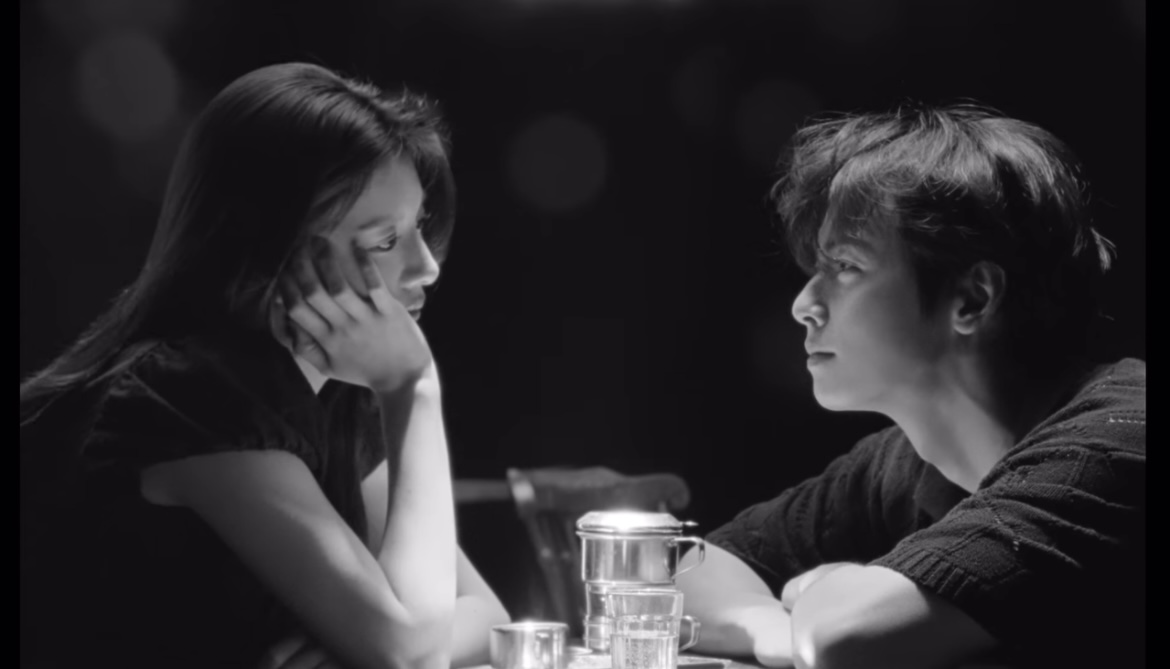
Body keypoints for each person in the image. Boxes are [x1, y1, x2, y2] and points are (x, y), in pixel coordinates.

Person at [19, 62, 510, 669]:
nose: (426, 268)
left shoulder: (333, 391)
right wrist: (413, 386)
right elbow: (412, 652)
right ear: (271, 247)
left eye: (420, 226)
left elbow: (486, 618)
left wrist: (353, 647)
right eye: (385, 241)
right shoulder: (190, 396)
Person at [676, 104, 1145, 669]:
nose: (804, 305)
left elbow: (844, 638)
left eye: (846, 267)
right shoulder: (904, 461)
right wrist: (777, 628)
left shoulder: (1121, 441)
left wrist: (826, 597)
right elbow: (688, 571)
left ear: (972, 299)